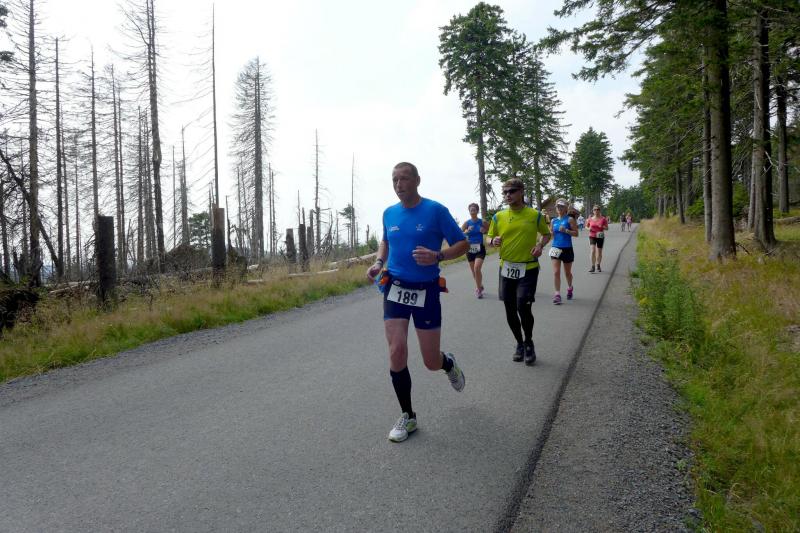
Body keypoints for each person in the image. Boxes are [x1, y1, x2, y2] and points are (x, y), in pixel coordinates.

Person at [366, 162, 469, 443]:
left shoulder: (435, 210)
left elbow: (462, 244)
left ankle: (448, 364)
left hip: (426, 290)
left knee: (430, 361)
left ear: (417, 180)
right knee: (397, 350)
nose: (399, 185)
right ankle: (408, 415)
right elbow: (386, 242)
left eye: (404, 179)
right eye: (394, 180)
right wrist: (378, 262)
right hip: (395, 288)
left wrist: (438, 256)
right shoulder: (389, 213)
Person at [487, 178, 551, 365]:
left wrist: (540, 245)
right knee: (509, 309)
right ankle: (519, 343)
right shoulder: (498, 216)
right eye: (505, 192)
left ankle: (529, 342)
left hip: (528, 268)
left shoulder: (534, 215)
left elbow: (546, 234)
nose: (508, 195)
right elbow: (489, 238)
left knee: (523, 305)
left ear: (521, 191)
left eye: (512, 191)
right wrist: (492, 241)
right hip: (506, 268)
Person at [549, 198, 578, 304]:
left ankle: (570, 287)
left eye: (561, 206)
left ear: (566, 208)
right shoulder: (553, 221)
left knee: (567, 273)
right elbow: (551, 234)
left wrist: (566, 230)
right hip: (555, 248)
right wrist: (550, 234)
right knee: (556, 272)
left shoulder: (570, 219)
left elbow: (576, 233)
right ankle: (557, 294)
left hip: (567, 248)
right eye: (558, 206)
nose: (559, 208)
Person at [461, 203, 489, 298]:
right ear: (469, 211)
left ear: (477, 211)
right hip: (469, 249)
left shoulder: (482, 222)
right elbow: (460, 233)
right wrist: (466, 231)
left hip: (480, 248)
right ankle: (480, 285)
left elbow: (490, 230)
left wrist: (484, 231)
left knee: (477, 268)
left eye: (474, 209)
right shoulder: (467, 223)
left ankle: (478, 290)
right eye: (471, 210)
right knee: (474, 272)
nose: (472, 211)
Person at [587, 205, 609, 273]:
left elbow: (607, 228)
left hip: (600, 235)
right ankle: (593, 266)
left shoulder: (603, 219)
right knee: (593, 250)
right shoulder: (590, 219)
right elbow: (586, 226)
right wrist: (588, 228)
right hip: (592, 235)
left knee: (599, 251)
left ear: (600, 210)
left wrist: (602, 226)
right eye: (595, 209)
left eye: (598, 209)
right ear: (593, 211)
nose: (596, 211)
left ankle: (598, 265)